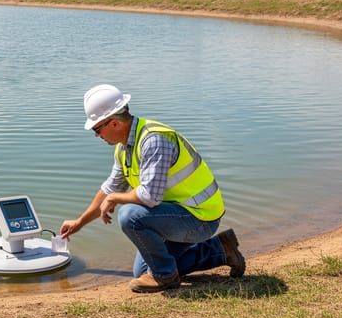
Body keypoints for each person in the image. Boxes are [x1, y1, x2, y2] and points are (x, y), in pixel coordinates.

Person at [59, 84, 245, 293]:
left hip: (200, 218)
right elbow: (109, 189)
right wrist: (79, 222)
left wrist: (117, 199)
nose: (96, 135)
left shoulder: (154, 140)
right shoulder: (124, 148)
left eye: (97, 129)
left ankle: (166, 278)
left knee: (130, 215)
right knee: (142, 271)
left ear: (113, 123)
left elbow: (149, 197)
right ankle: (221, 250)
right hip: (175, 215)